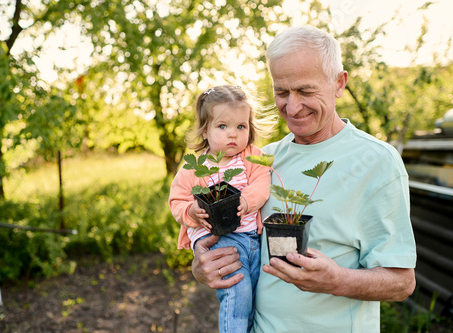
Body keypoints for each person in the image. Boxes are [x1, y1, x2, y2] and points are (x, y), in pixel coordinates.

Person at [190, 26, 417, 332]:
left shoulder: (377, 161)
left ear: (339, 83)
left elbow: (402, 283)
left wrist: (337, 280)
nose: (292, 107)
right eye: (281, 92)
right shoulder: (260, 159)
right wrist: (202, 265)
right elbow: (231, 236)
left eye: (306, 91)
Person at [169, 85, 273, 332]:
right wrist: (192, 211)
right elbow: (177, 201)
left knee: (254, 300)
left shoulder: (251, 158)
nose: (233, 135)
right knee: (238, 294)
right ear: (205, 131)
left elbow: (262, 182)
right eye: (222, 126)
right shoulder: (194, 168)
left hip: (253, 242)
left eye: (241, 126)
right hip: (222, 241)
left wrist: (246, 200)